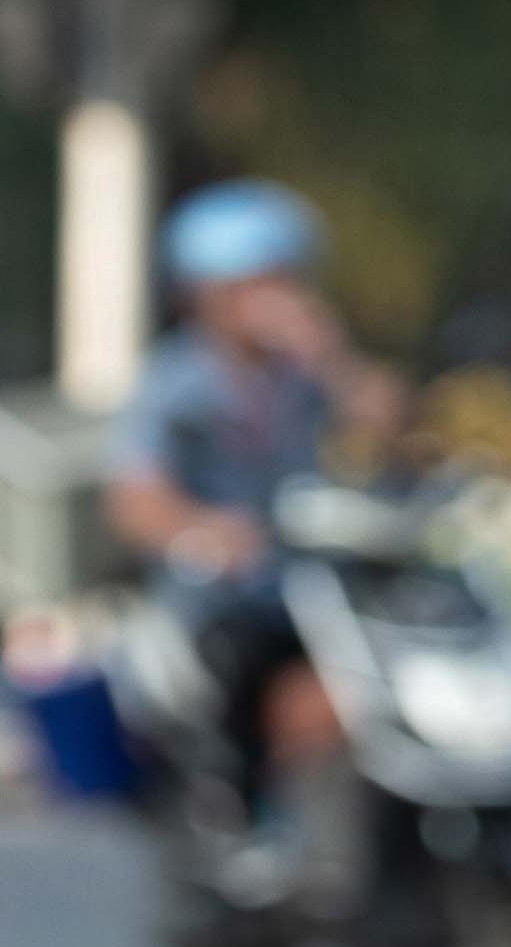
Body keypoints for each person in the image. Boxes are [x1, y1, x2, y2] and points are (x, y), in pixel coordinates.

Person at [106, 182, 403, 830]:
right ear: (210, 295)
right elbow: (134, 494)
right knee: (230, 684)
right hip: (221, 601)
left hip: (317, 592)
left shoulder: (305, 377)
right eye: (257, 285)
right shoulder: (177, 383)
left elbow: (388, 424)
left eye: (286, 282)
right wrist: (197, 528)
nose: (276, 300)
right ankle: (243, 827)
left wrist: (332, 357)